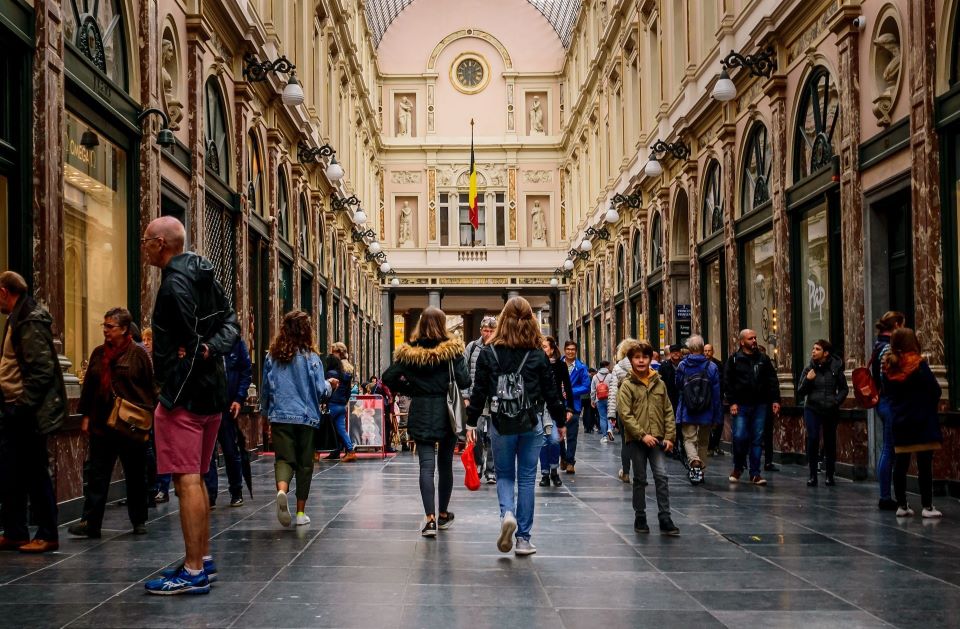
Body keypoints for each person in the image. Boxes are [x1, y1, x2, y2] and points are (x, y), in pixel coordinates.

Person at [141, 216, 239, 595]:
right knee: (194, 478)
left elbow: (192, 343)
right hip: (211, 392)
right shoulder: (204, 276)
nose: (144, 245)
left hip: (185, 396)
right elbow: (229, 323)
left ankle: (194, 570)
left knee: (187, 480)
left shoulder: (173, 287)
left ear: (162, 243)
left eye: (147, 240)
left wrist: (170, 391)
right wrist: (210, 348)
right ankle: (203, 558)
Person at [467, 297, 566, 555]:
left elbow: (479, 392)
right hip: (530, 421)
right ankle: (523, 539)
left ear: (502, 320)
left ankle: (507, 514)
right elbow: (551, 392)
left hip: (500, 422)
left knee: (504, 475)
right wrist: (560, 419)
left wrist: (470, 421)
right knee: (526, 478)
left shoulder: (489, 353)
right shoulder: (537, 355)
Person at [382, 307, 470, 537]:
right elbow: (464, 379)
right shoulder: (453, 352)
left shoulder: (410, 352)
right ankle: (443, 515)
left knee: (426, 466)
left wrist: (410, 388)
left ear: (420, 324)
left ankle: (429, 520)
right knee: (445, 466)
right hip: (446, 412)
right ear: (442, 325)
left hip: (420, 410)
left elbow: (388, 377)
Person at [69, 308, 155, 539]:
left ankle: (139, 520)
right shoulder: (99, 353)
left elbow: (149, 388)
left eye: (110, 326)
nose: (106, 331)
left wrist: (146, 417)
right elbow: (89, 387)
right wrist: (85, 416)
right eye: (104, 326)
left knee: (135, 474)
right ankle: (91, 522)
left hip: (129, 425)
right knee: (98, 475)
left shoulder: (138, 354)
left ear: (124, 329)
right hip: (102, 424)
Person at [0, 271, 68, 553]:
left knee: (35, 472)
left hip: (26, 411)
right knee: (12, 472)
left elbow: (41, 370)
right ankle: (15, 531)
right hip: (15, 408)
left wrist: (22, 406)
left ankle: (47, 533)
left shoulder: (28, 318)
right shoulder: (17, 316)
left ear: (5, 292)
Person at [261, 311, 337, 528]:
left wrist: (266, 414)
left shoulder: (272, 356)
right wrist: (329, 386)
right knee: (304, 465)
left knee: (284, 459)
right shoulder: (311, 358)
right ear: (307, 331)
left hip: (280, 415)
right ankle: (301, 513)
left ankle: (282, 491)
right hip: (306, 418)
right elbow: (319, 390)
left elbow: (266, 389)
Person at [617, 340, 679, 536]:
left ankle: (665, 516)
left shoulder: (659, 383)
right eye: (637, 358)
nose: (641, 361)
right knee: (640, 478)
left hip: (658, 439)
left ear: (651, 359)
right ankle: (640, 515)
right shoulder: (627, 385)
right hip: (637, 441)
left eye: (645, 357)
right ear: (631, 360)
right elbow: (625, 414)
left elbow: (668, 411)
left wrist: (670, 436)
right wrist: (642, 435)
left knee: (661, 476)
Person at [881, 328, 943, 518]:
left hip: (900, 419)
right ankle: (927, 506)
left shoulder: (888, 366)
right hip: (922, 419)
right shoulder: (919, 364)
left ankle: (902, 505)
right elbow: (935, 390)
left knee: (900, 463)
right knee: (925, 464)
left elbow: (888, 393)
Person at [723, 329, 780, 486]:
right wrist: (732, 402)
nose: (754, 341)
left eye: (755, 338)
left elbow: (772, 380)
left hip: (760, 404)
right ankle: (739, 466)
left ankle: (755, 473)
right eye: (750, 338)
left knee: (757, 439)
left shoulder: (763, 359)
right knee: (739, 436)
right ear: (742, 342)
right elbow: (727, 382)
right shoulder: (734, 360)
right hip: (741, 404)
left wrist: (775, 400)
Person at [204, 336, 253, 507]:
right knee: (208, 452)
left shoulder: (236, 343)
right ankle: (210, 494)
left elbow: (246, 371)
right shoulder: (204, 340)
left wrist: (239, 398)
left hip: (228, 404)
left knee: (230, 449)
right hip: (207, 404)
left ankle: (236, 490)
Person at [797, 339, 848, 487]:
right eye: (813, 349)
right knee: (813, 439)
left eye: (817, 349)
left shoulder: (835, 368)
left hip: (830, 409)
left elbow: (844, 388)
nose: (813, 351)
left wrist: (836, 401)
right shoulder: (809, 369)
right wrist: (808, 380)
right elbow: (801, 391)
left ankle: (829, 475)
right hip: (812, 408)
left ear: (825, 353)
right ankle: (813, 475)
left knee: (830, 441)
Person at [674, 335, 722, 485]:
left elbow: (678, 385)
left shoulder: (682, 365)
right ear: (702, 349)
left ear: (689, 349)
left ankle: (694, 461)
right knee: (703, 441)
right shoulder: (712, 367)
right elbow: (716, 394)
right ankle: (700, 470)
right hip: (707, 410)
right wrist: (717, 417)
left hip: (688, 409)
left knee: (689, 439)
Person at [871, 311, 906, 510]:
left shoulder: (879, 345)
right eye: (902, 325)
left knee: (889, 447)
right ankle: (885, 495)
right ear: (896, 326)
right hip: (888, 401)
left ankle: (887, 493)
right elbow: (888, 378)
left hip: (883, 401)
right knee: (889, 448)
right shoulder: (886, 348)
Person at [464, 316, 498, 484]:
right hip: (475, 397)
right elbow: (463, 374)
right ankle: (478, 463)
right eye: (486, 330)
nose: (489, 333)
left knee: (493, 435)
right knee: (474, 432)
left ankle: (491, 470)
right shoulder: (472, 347)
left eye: (492, 331)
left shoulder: (499, 347)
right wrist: (465, 396)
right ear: (480, 331)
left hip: (493, 399)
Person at [538, 335, 574, 487]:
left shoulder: (560, 365)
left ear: (552, 350)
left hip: (555, 407)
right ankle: (545, 473)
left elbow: (567, 386)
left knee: (553, 439)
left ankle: (554, 469)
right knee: (542, 442)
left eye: (545, 347)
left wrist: (569, 407)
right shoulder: (536, 364)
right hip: (539, 407)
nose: (542, 349)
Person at [608, 338, 640, 484]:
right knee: (640, 442)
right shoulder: (642, 367)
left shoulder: (618, 368)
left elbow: (613, 391)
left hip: (623, 410)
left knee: (625, 443)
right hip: (640, 410)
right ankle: (640, 472)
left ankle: (626, 472)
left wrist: (611, 414)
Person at [324, 342, 358, 462]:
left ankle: (315, 452)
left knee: (321, 426)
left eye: (333, 351)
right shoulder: (347, 370)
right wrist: (345, 401)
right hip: (341, 404)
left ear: (338, 352)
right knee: (340, 429)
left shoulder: (333, 371)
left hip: (333, 403)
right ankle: (350, 451)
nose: (331, 354)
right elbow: (348, 390)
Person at [560, 340, 590, 474]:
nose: (570, 351)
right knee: (557, 436)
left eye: (573, 349)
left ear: (576, 351)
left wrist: (571, 391)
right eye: (568, 349)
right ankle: (563, 457)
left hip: (574, 406)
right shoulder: (557, 364)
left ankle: (570, 461)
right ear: (564, 350)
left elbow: (586, 386)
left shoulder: (581, 367)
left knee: (572, 435)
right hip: (558, 405)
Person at [704, 343, 725, 456]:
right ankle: (709, 446)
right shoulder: (702, 364)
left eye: (709, 350)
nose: (707, 353)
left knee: (719, 422)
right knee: (707, 422)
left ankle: (715, 444)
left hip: (717, 397)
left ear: (713, 351)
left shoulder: (718, 364)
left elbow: (722, 380)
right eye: (705, 351)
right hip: (705, 398)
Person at [591, 360, 615, 443]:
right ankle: (610, 429)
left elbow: (593, 390)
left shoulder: (595, 377)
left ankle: (604, 437)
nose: (609, 367)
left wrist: (592, 400)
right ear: (606, 366)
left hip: (599, 399)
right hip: (610, 399)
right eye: (609, 366)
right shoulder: (611, 376)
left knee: (602, 417)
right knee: (611, 415)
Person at [658, 344, 682, 413]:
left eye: (677, 351)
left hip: (682, 397)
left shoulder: (684, 364)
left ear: (680, 353)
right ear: (670, 353)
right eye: (673, 352)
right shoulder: (664, 366)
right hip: (669, 398)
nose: (675, 353)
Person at [583, 366, 598, 434]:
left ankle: (586, 426)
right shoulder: (592, 378)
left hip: (581, 397)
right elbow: (593, 389)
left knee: (585, 413)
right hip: (588, 397)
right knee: (589, 412)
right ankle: (589, 427)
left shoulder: (582, 376)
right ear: (591, 373)